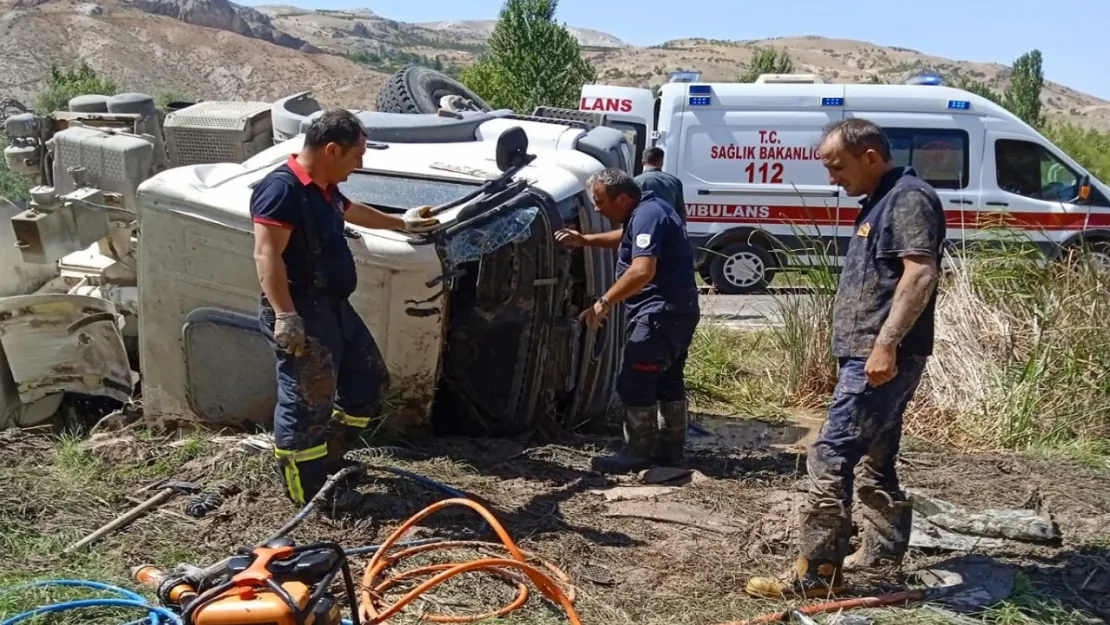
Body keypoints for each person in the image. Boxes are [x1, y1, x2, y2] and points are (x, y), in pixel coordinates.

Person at [745, 118, 945, 599]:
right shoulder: (880, 200)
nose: (833, 177)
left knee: (830, 454)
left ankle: (816, 575)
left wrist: (885, 345)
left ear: (870, 156)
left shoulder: (908, 198)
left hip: (878, 357)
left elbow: (919, 275)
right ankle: (881, 550)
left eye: (837, 166)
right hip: (869, 354)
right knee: (878, 457)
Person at [251, 108, 440, 512]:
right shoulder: (281, 189)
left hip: (334, 308)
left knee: (367, 383)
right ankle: (311, 496)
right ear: (332, 149)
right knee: (306, 404)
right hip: (302, 314)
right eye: (357, 155)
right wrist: (285, 315)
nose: (361, 164)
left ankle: (330, 455)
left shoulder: (323, 188)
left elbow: (350, 211)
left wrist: (400, 223)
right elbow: (267, 254)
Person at [554, 168, 700, 473]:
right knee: (667, 380)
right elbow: (629, 238)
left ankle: (637, 452)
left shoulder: (647, 214)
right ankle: (670, 452)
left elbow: (642, 269)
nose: (596, 208)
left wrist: (604, 302)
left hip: (659, 313)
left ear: (622, 198)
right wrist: (586, 240)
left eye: (600, 201)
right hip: (677, 312)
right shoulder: (650, 211)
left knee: (636, 379)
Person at [635, 147, 686, 225]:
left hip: (644, 226)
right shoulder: (675, 182)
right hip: (668, 227)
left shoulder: (636, 181)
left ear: (643, 161)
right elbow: (680, 211)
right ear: (661, 162)